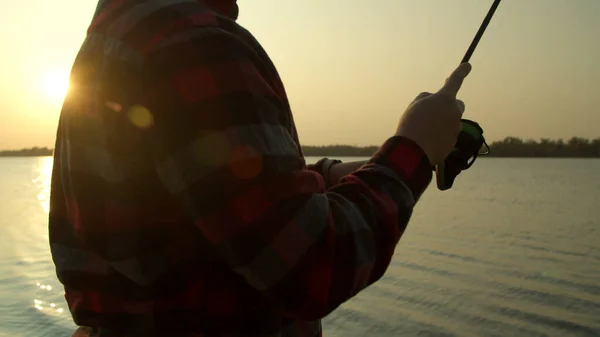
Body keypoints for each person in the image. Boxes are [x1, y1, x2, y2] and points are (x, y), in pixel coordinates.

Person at [49, 0, 471, 336]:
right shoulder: (193, 43)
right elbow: (312, 265)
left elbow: (209, 198)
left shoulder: (117, 37)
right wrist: (411, 152)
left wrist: (348, 172)